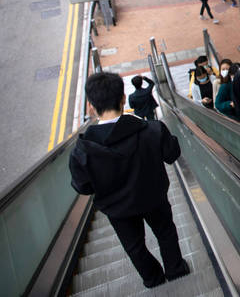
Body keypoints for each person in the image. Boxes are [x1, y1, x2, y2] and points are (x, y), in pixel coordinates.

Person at [69, 72, 190, 288]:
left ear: (91, 106)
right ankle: (175, 269)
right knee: (166, 233)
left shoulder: (83, 150)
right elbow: (172, 154)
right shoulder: (152, 130)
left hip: (117, 208)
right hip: (154, 197)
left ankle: (153, 278)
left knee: (134, 246)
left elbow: (83, 187)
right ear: (123, 98)